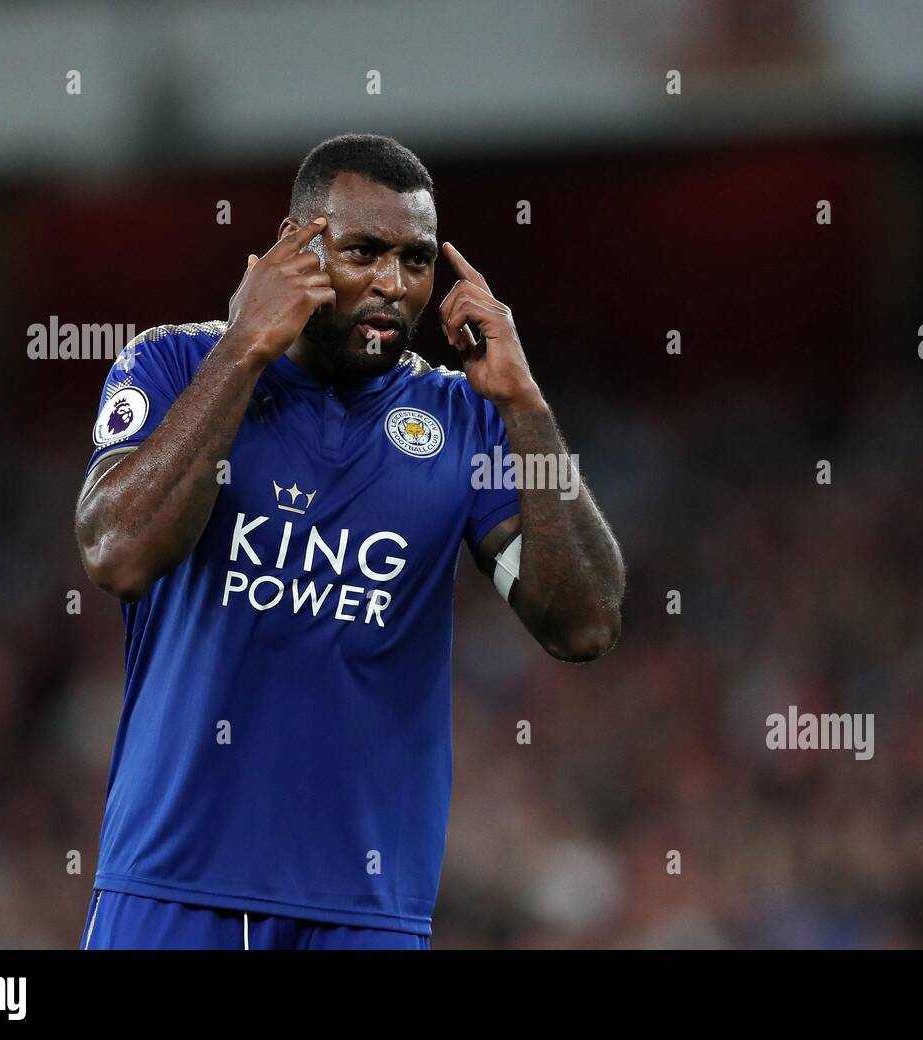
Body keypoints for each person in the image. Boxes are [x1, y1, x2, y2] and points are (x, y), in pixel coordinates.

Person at [73, 133, 624, 949]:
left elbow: (584, 624)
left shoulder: (462, 419)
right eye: (364, 251)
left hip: (367, 910)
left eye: (416, 258)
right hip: (173, 886)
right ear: (296, 250)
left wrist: (527, 408)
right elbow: (119, 553)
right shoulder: (171, 364)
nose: (392, 284)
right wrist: (245, 348)